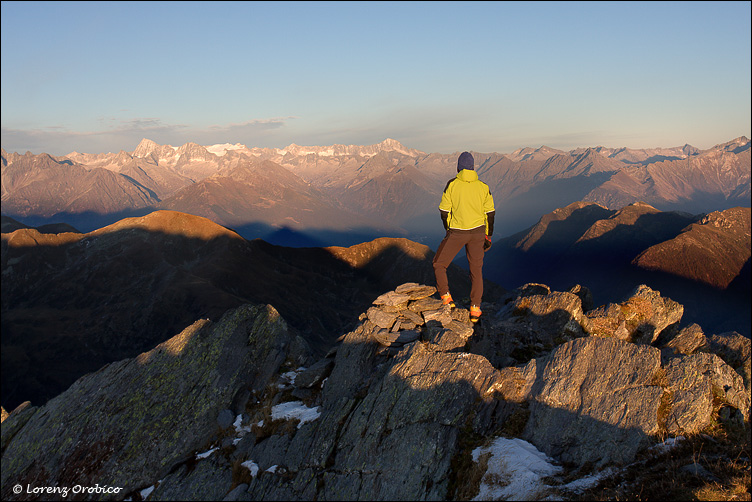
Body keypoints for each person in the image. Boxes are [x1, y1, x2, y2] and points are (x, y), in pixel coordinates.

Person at [432, 151, 495, 323]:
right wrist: (488, 236)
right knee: (476, 270)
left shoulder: (452, 185)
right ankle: (475, 308)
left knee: (439, 264)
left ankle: (446, 297)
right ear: (473, 168)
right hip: (478, 233)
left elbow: (444, 211)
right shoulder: (483, 186)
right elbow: (490, 214)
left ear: (458, 168)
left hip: (457, 232)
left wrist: (448, 229)